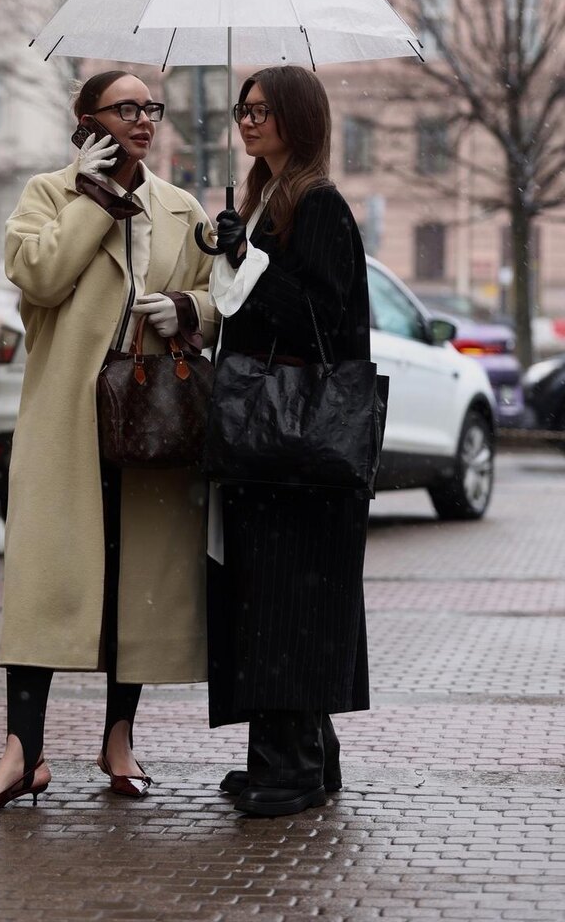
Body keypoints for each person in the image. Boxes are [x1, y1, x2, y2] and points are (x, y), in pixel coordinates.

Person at [0, 70, 217, 815]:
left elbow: (217, 299)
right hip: (66, 423)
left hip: (147, 422)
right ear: (87, 118)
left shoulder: (180, 207)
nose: (143, 121)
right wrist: (94, 201)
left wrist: (188, 309)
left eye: (151, 109)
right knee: (46, 586)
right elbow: (40, 278)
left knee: (133, 583)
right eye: (127, 108)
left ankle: (117, 739)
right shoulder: (48, 195)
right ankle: (22, 753)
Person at [206, 65, 371, 818]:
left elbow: (322, 322)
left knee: (285, 601)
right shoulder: (265, 199)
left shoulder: (322, 206)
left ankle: (292, 768)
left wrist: (250, 263)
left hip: (299, 442)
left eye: (262, 109)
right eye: (243, 108)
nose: (247, 119)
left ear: (296, 119)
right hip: (270, 441)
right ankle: (298, 756)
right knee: (268, 600)